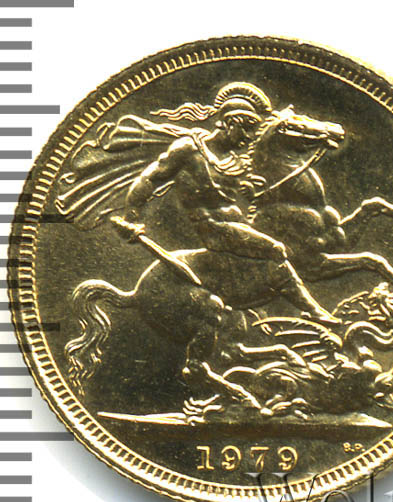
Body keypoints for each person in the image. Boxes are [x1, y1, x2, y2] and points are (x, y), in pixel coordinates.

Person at [117, 82, 339, 325]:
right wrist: (131, 217)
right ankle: (312, 310)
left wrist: (249, 190)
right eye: (246, 131)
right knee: (276, 249)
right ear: (231, 123)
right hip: (213, 229)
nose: (248, 138)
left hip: (238, 226)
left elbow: (234, 194)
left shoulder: (233, 159)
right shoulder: (189, 149)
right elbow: (149, 178)